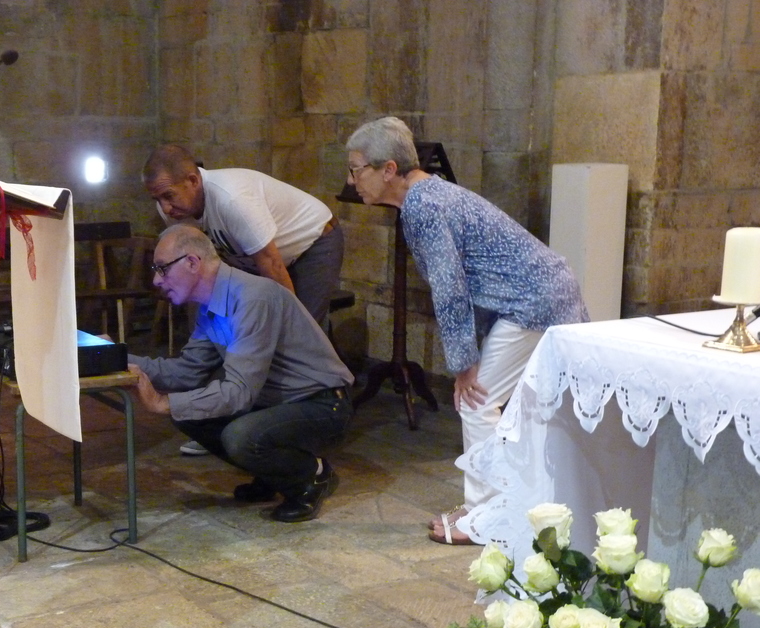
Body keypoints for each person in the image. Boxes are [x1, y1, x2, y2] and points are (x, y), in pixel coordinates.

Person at [344, 116, 588, 545]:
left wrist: (463, 365)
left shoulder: (423, 206)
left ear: (388, 169)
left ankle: (484, 518)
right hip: (541, 295)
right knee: (514, 407)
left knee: (475, 400)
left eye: (356, 169)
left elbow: (450, 287)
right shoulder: (427, 196)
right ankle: (499, 507)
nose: (351, 181)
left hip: (534, 302)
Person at [126, 224, 354, 523]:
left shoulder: (253, 298)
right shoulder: (211, 305)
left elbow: (239, 392)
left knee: (240, 436)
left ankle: (312, 476)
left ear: (192, 262)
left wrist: (162, 403)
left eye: (162, 268)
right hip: (274, 403)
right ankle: (272, 475)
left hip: (323, 404)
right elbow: (185, 372)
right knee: (190, 414)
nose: (157, 280)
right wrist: (114, 358)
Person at [142, 144, 346, 457]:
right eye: (158, 200)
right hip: (250, 256)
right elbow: (198, 265)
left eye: (169, 196)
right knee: (228, 330)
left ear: (193, 180)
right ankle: (239, 416)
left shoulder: (232, 200)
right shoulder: (177, 208)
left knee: (292, 334)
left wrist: (279, 315)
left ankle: (300, 423)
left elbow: (272, 267)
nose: (165, 208)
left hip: (311, 243)